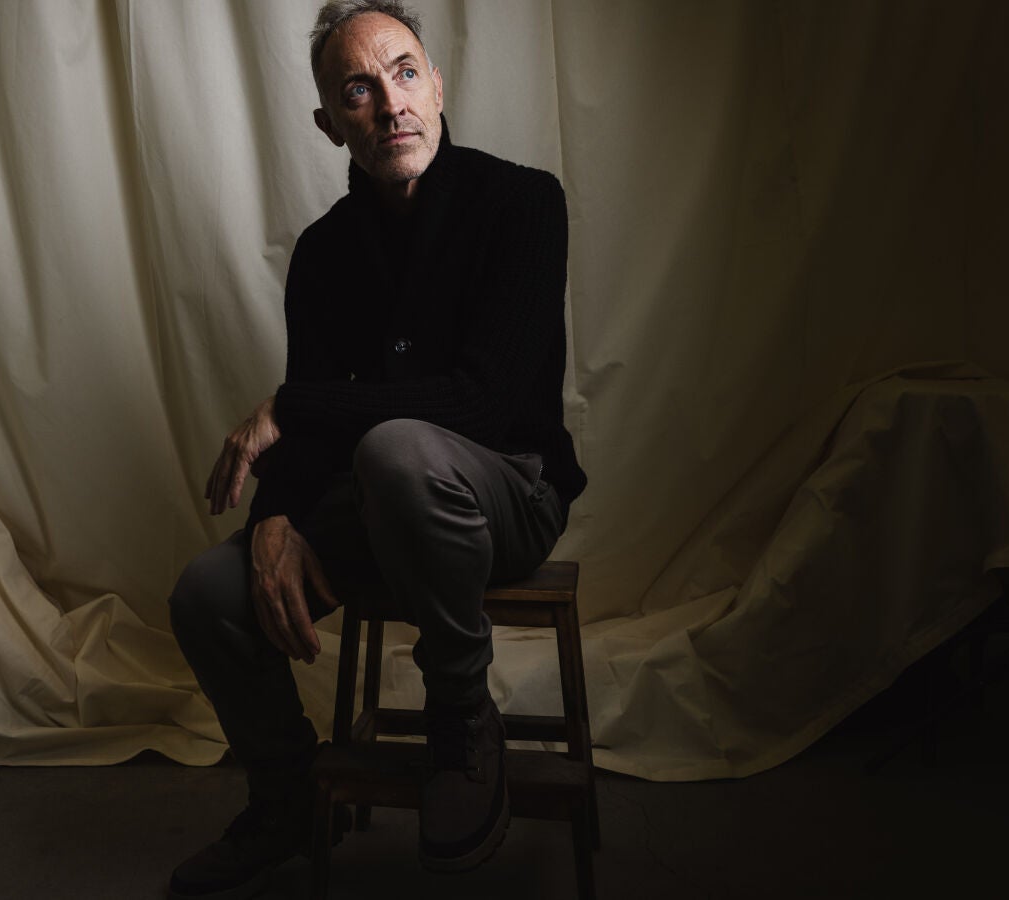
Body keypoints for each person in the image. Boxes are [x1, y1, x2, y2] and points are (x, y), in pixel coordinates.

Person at [167, 1, 586, 896]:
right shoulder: (323, 253)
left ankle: (462, 720)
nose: (391, 104)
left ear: (437, 87)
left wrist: (290, 407)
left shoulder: (523, 203)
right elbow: (313, 433)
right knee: (206, 594)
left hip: (507, 497)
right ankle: (286, 800)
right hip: (372, 506)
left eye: (404, 74)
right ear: (329, 123)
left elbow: (482, 404)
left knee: (396, 450)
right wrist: (275, 517)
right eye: (358, 90)